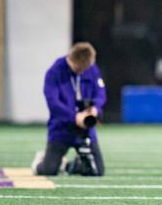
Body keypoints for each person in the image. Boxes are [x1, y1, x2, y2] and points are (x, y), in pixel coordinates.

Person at [31, 42, 107, 176]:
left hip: (85, 129)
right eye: (79, 69)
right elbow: (53, 103)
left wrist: (95, 108)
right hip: (62, 128)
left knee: (97, 171)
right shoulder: (54, 72)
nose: (83, 72)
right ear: (72, 59)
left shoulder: (91, 68)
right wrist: (74, 117)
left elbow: (101, 93)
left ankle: (69, 165)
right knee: (49, 170)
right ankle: (40, 162)